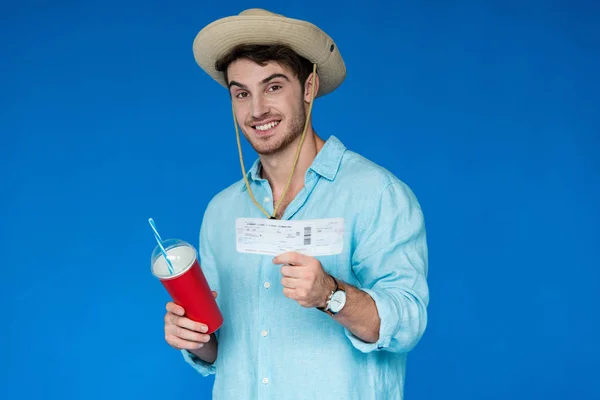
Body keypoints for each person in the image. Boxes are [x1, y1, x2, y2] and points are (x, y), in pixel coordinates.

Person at [163, 8, 429, 400]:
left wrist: (330, 294)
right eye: (241, 93)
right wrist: (195, 338)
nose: (256, 111)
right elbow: (225, 348)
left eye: (273, 87)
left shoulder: (377, 194)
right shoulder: (221, 212)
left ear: (308, 89)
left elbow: (407, 325)